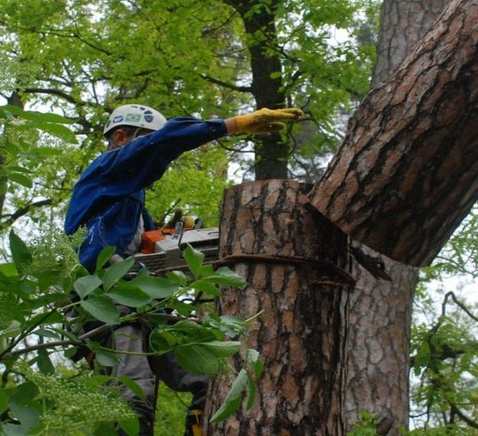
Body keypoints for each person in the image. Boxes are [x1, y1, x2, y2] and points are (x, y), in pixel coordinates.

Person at [64, 103, 303, 436]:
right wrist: (233, 124)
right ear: (121, 137)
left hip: (142, 300)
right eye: (146, 141)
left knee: (209, 376)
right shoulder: (103, 171)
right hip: (103, 298)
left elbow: (142, 250)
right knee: (133, 391)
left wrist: (166, 237)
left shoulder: (130, 203)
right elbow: (166, 141)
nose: (155, 155)